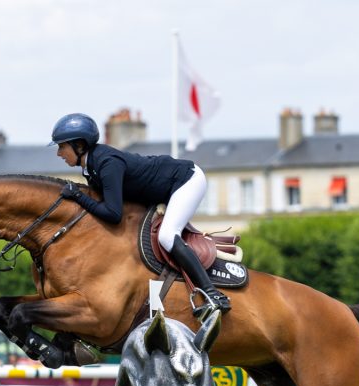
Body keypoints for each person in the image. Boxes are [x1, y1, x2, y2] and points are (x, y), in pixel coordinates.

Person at [50, 112, 230, 314]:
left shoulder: (107, 163)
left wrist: (78, 196)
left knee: (167, 236)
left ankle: (213, 294)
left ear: (80, 145)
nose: (58, 153)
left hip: (186, 180)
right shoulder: (91, 167)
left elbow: (112, 213)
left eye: (61, 146)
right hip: (163, 189)